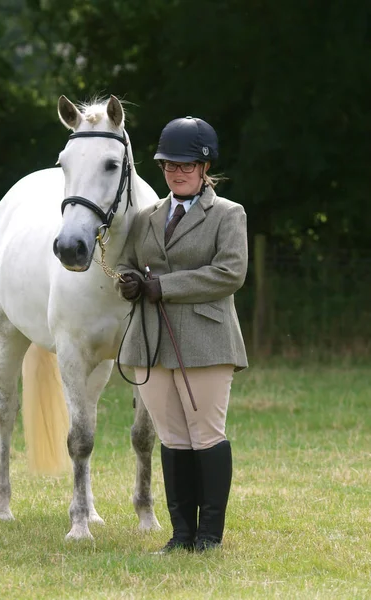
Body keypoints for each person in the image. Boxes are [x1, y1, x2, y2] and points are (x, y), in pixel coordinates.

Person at [115, 115, 248, 553]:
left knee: (205, 434)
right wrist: (130, 281)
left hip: (205, 341)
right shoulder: (145, 216)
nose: (177, 172)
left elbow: (230, 273)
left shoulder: (228, 214)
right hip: (150, 342)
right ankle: (181, 535)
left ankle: (209, 536)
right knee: (171, 438)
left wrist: (163, 287)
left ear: (204, 168)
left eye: (186, 165)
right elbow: (127, 264)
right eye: (169, 164)